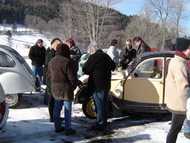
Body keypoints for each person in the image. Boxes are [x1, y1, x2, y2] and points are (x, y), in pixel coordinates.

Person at [47, 43, 78, 135]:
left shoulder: (51, 61)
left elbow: (48, 76)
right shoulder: (67, 61)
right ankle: (68, 129)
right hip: (66, 89)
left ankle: (57, 127)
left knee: (57, 108)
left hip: (55, 88)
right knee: (67, 110)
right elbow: (72, 77)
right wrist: (73, 86)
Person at [83, 48, 116, 131]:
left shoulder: (93, 57)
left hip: (96, 85)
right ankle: (103, 121)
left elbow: (85, 69)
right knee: (104, 104)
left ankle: (100, 123)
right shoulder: (107, 56)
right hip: (106, 85)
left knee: (99, 104)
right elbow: (114, 66)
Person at [165, 38, 190, 143]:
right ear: (184, 49)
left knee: (175, 129)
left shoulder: (178, 61)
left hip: (177, 102)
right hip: (180, 104)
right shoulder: (179, 64)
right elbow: (183, 87)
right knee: (175, 129)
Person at [44, 38, 62, 122]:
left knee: (55, 99)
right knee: (51, 99)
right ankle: (52, 117)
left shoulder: (54, 53)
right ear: (54, 45)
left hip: (54, 79)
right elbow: (49, 67)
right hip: (51, 80)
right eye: (58, 44)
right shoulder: (50, 54)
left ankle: (55, 116)